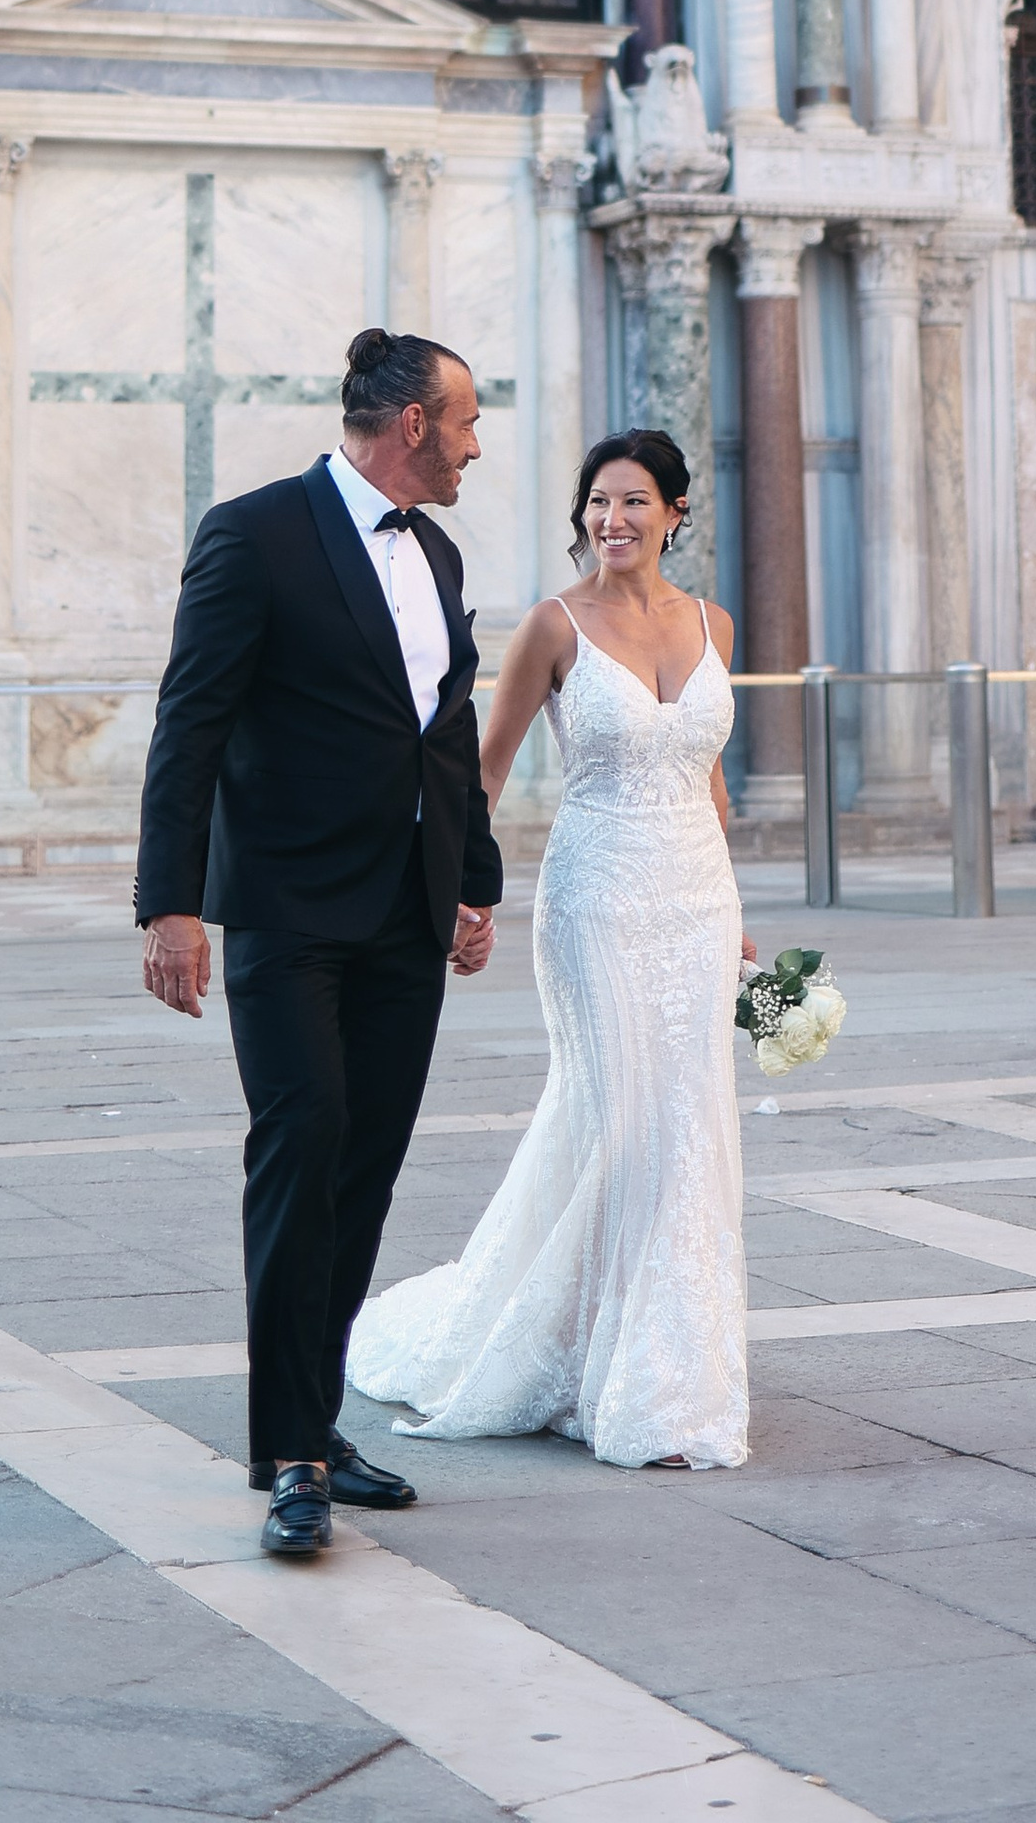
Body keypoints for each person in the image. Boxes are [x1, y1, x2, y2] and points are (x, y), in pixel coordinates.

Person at [134, 329, 504, 1561]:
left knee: (364, 1172)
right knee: (299, 1156)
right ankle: (291, 1453)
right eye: (463, 421)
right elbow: (190, 723)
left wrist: (475, 883)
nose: (473, 444)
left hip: (405, 910)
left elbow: (442, 735)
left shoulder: (438, 553)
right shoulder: (254, 532)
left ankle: (315, 1418)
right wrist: (168, 903)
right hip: (288, 912)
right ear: (409, 423)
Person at [347, 430, 754, 1472]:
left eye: (631, 503)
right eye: (596, 504)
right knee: (620, 1118)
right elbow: (482, 775)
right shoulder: (551, 625)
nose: (609, 521)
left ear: (673, 513)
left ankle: (661, 1366)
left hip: (694, 900)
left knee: (684, 1129)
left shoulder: (715, 623)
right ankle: (596, 1359)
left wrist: (736, 914)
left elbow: (707, 777)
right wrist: (456, 896)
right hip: (595, 900)